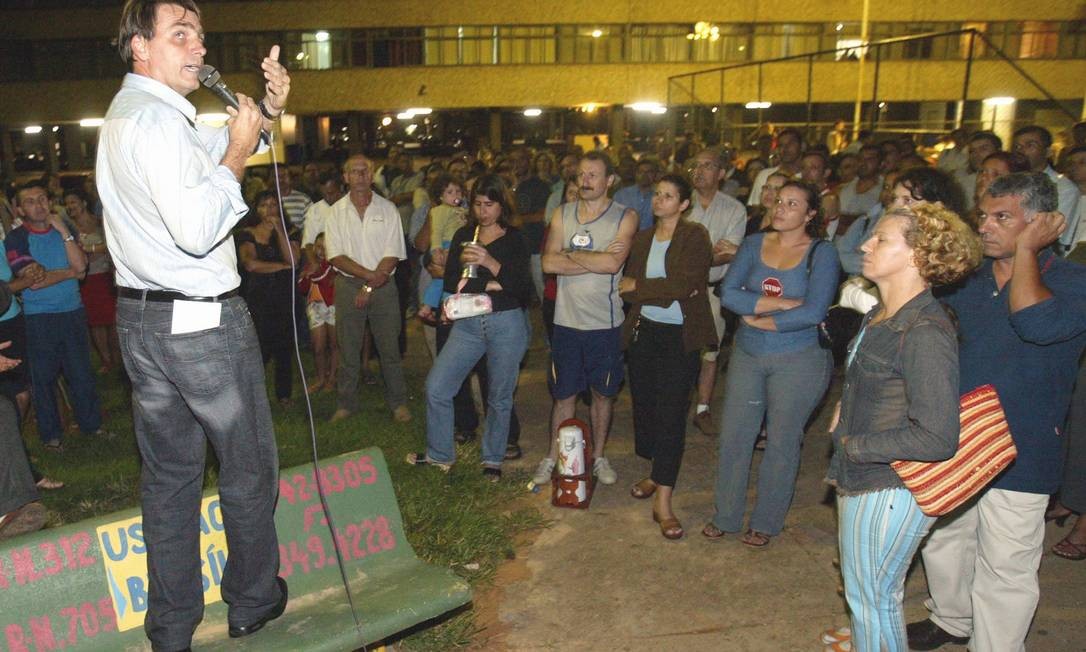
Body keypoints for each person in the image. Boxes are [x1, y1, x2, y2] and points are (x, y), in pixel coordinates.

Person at [96, 1, 291, 647]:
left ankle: (173, 626)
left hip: (143, 324)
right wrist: (239, 144)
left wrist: (266, 112)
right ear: (139, 48)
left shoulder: (138, 116)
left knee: (171, 480)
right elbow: (201, 225)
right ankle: (252, 600)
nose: (197, 47)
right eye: (179, 35)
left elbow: (215, 151)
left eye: (200, 36)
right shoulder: (154, 122)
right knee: (248, 469)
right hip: (203, 327)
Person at [907, 172, 1086, 651]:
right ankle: (951, 620)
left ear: (1046, 223)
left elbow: (1034, 322)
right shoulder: (968, 280)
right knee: (944, 540)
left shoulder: (1074, 281)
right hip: (957, 437)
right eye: (983, 215)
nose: (985, 226)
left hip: (1022, 445)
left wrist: (1027, 252)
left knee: (1005, 564)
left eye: (1002, 217)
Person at [823, 203, 982, 652]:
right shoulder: (885, 314)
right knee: (868, 599)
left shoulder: (925, 330)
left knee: (875, 602)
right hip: (869, 477)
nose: (864, 245)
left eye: (881, 240)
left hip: (890, 485)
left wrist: (854, 444)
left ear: (917, 256)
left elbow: (937, 435)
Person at [703, 181, 839, 546]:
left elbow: (815, 310)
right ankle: (725, 515)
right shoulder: (752, 244)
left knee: (781, 439)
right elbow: (729, 294)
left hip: (800, 358)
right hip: (750, 352)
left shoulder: (821, 253)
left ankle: (765, 521)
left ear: (811, 214)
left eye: (793, 203)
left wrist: (761, 312)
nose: (781, 208)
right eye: (779, 201)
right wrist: (781, 304)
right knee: (734, 436)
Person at [408, 174, 531, 481]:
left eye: (489, 204)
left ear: (502, 205)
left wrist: (490, 263)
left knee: (499, 396)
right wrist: (492, 283)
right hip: (468, 324)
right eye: (477, 203)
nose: (483, 211)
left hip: (506, 323)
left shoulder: (515, 238)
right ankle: (440, 454)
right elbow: (451, 280)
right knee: (437, 386)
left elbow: (523, 290)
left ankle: (492, 459)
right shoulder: (465, 233)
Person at [531, 151, 639, 487]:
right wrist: (597, 257)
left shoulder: (626, 216)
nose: (586, 181)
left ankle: (599, 456)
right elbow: (548, 264)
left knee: (603, 394)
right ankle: (554, 456)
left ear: (609, 181)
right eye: (581, 174)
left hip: (604, 325)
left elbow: (613, 265)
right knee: (563, 395)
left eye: (594, 175)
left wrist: (571, 255)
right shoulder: (563, 213)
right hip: (565, 323)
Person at [618, 174, 714, 539]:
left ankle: (664, 501)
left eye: (669, 196)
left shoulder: (694, 236)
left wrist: (642, 288)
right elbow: (625, 289)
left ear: (684, 203)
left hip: (681, 336)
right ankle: (655, 473)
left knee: (672, 414)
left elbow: (685, 285)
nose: (659, 201)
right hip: (645, 333)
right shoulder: (642, 238)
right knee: (646, 410)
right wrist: (643, 291)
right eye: (657, 194)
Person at [7, 181, 109, 451]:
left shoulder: (64, 229)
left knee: (82, 372)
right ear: (18, 209)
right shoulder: (16, 239)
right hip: (39, 317)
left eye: (42, 199)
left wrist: (64, 231)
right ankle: (50, 435)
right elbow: (34, 280)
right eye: (30, 201)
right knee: (44, 378)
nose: (39, 205)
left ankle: (91, 425)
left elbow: (83, 269)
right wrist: (68, 273)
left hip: (72, 311)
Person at [324, 155, 412, 423]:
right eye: (354, 171)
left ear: (372, 174)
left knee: (390, 349)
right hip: (349, 285)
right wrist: (367, 278)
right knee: (348, 349)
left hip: (384, 286)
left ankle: (398, 403)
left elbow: (394, 252)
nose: (360, 175)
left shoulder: (388, 210)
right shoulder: (335, 212)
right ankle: (346, 404)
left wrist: (372, 283)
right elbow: (335, 256)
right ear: (345, 176)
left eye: (365, 171)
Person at [686, 148, 747, 436]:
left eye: (707, 166)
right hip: (677, 290)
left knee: (710, 351)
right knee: (676, 348)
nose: (699, 171)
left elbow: (727, 253)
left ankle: (703, 408)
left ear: (721, 174)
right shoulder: (681, 203)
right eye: (695, 166)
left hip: (710, 289)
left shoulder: (734, 209)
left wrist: (687, 259)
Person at [236, 190, 301, 405]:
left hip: (284, 298)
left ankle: (284, 395)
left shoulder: (289, 231)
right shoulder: (247, 233)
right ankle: (252, 395)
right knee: (259, 347)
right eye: (264, 205)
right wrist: (281, 266)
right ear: (256, 208)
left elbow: (293, 259)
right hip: (258, 299)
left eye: (274, 205)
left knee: (284, 348)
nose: (269, 210)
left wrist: (280, 230)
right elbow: (251, 264)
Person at [65, 188, 120, 374]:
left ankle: (116, 357)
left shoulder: (99, 223)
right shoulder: (70, 228)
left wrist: (93, 248)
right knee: (96, 322)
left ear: (83, 203)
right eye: (67, 203)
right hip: (87, 280)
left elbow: (112, 244)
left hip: (104, 276)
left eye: (73, 202)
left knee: (112, 320)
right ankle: (105, 360)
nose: (70, 206)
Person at [1012, 125, 1081, 252]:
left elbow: (1051, 232)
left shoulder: (1063, 188)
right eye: (1017, 146)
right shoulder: (1011, 183)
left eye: (1030, 145)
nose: (1021, 151)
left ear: (1048, 152)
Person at [298, 232, 337, 394]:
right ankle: (320, 378)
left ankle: (332, 377)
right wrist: (308, 274)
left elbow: (323, 277)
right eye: (318, 246)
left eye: (324, 247)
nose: (321, 250)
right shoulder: (311, 265)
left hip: (333, 307)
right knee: (318, 347)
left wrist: (310, 273)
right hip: (315, 308)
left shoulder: (334, 265)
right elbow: (302, 287)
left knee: (335, 344)